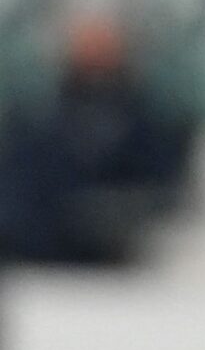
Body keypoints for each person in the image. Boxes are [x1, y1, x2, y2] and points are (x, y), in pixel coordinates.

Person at [0, 13, 195, 266]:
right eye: (86, 41)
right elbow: (19, 180)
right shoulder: (37, 115)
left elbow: (159, 185)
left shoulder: (145, 118)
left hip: (111, 261)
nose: (93, 50)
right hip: (35, 252)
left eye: (102, 42)